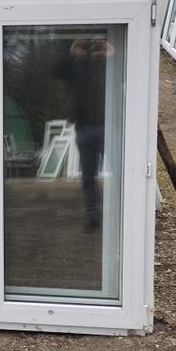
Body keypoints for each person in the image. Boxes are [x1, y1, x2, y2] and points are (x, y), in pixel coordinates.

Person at [53, 35, 111, 231]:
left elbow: (131, 74)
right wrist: (71, 54)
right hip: (84, 127)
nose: (95, 47)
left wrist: (111, 55)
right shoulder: (78, 66)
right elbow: (56, 71)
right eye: (92, 44)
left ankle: (122, 216)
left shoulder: (109, 65)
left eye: (99, 43)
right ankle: (92, 218)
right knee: (88, 176)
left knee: (120, 172)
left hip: (107, 126)